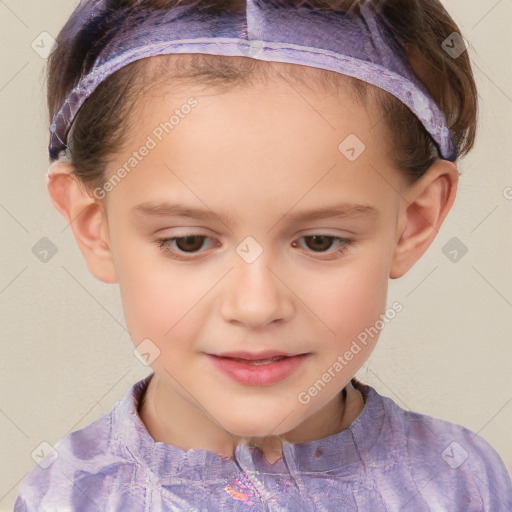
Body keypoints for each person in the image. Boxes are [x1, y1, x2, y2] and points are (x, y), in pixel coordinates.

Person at [14, 0, 512, 510]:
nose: (256, 306)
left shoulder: (463, 484)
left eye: (320, 241)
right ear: (93, 225)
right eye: (189, 241)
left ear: (415, 220)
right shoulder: (65, 497)